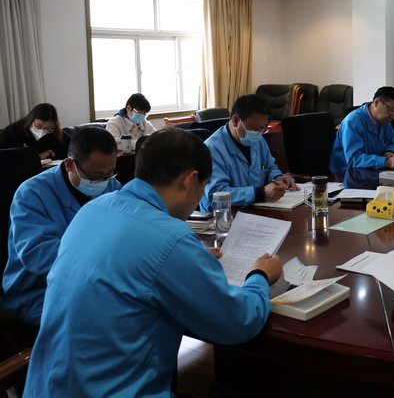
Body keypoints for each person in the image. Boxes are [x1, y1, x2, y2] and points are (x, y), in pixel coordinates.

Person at [24, 129, 282, 397]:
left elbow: (130, 262)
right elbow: (238, 322)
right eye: (203, 187)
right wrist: (260, 276)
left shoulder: (93, 209)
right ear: (190, 180)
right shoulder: (170, 237)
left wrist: (187, 260)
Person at [2, 128, 121, 326]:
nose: (103, 182)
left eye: (110, 173)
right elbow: (38, 255)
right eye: (96, 175)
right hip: (38, 290)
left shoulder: (112, 186)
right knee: (95, 323)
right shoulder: (32, 194)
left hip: (94, 282)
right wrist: (99, 262)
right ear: (69, 165)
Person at [199, 94, 297, 209]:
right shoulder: (212, 149)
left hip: (255, 209)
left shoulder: (258, 140)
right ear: (235, 120)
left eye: (262, 128)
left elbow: (269, 167)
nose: (258, 133)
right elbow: (216, 195)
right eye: (254, 128)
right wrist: (260, 193)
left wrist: (278, 178)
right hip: (221, 215)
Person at [329, 86, 394, 173]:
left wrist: (390, 151)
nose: (393, 116)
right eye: (391, 110)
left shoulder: (384, 120)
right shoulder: (352, 122)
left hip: (373, 171)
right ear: (377, 102)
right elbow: (354, 159)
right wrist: (386, 162)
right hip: (346, 174)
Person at [0, 103, 66, 160]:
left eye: (46, 128)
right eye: (38, 126)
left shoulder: (52, 131)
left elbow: (68, 145)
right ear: (31, 119)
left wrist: (50, 152)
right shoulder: (13, 131)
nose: (41, 131)